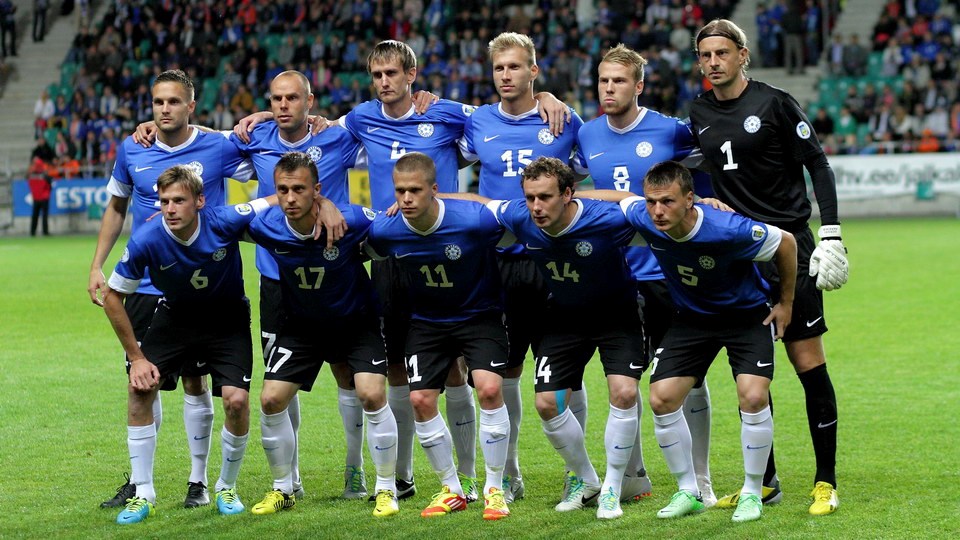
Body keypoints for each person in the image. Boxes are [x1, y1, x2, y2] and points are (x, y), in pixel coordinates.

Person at [690, 18, 847, 516]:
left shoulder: (775, 103)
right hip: (739, 254)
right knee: (750, 376)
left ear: (742, 55)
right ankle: (766, 482)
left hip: (789, 247)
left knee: (808, 364)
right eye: (705, 55)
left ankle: (826, 481)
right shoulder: (697, 113)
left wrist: (831, 231)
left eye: (722, 53)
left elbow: (818, 164)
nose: (713, 62)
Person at [585, 160, 797, 523]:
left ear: (689, 199)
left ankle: (752, 492)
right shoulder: (645, 216)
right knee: (662, 398)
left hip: (746, 317)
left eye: (667, 201)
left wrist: (786, 303)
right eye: (652, 202)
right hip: (692, 320)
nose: (657, 211)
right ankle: (689, 490)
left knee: (752, 396)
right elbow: (621, 198)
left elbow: (786, 242)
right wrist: (570, 196)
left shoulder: (727, 228)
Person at [88, 69, 253, 511]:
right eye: (158, 102)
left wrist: (249, 120)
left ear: (190, 106)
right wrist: (97, 264)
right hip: (144, 282)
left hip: (200, 282)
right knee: (142, 379)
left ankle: (199, 481)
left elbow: (267, 153)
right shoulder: (132, 147)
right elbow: (116, 206)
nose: (164, 109)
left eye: (174, 101)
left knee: (197, 382)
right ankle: (140, 484)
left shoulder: (217, 146)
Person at [451, 157, 647, 520]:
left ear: (568, 194)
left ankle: (613, 488)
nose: (536, 207)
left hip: (617, 316)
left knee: (623, 392)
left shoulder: (606, 219)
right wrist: (431, 200)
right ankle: (587, 480)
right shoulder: (521, 217)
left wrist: (705, 202)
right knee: (546, 404)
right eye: (530, 198)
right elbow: (481, 204)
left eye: (545, 197)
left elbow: (639, 202)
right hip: (565, 318)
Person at [572, 43, 717, 506]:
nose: (608, 88)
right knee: (623, 380)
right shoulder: (586, 134)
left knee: (689, 378)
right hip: (613, 276)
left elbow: (707, 167)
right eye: (603, 80)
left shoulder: (670, 130)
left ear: (638, 85)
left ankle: (701, 478)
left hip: (667, 275)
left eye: (618, 80)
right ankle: (634, 477)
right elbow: (565, 187)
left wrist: (709, 202)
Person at [457, 31, 583, 504]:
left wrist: (550, 98)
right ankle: (509, 472)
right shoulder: (477, 122)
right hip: (498, 265)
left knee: (565, 372)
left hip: (554, 264)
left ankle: (577, 473)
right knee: (504, 370)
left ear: (533, 70)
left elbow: (583, 178)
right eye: (498, 68)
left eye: (514, 66)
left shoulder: (564, 120)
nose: (505, 75)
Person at [102, 165, 268, 524]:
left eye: (179, 200)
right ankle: (143, 493)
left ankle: (226, 487)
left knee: (237, 401)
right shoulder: (147, 239)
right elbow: (112, 297)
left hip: (227, 319)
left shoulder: (223, 220)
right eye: (164, 201)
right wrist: (136, 357)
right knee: (139, 389)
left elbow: (272, 201)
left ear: (200, 201)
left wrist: (322, 204)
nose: (171, 208)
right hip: (175, 317)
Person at [245, 152, 400, 518]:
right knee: (270, 399)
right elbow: (215, 221)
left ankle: (386, 488)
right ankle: (284, 488)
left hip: (356, 323)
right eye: (283, 190)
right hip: (302, 327)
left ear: (316, 189)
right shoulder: (266, 225)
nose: (290, 198)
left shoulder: (351, 219)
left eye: (299, 189)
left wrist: (334, 207)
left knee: (371, 393)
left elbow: (394, 224)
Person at [364, 152, 511, 521]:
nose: (406, 199)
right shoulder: (386, 230)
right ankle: (452, 489)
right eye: (400, 191)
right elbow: (359, 245)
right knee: (420, 399)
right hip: (427, 322)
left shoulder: (474, 219)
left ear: (435, 189)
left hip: (479, 317)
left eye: (415, 190)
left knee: (489, 389)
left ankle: (495, 489)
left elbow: (517, 216)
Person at [27, 157, 51, 236]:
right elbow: (49, 185)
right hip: (44, 198)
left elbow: (29, 183)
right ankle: (45, 231)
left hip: (36, 198)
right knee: (44, 215)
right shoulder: (45, 175)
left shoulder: (31, 175)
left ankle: (32, 231)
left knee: (35, 215)